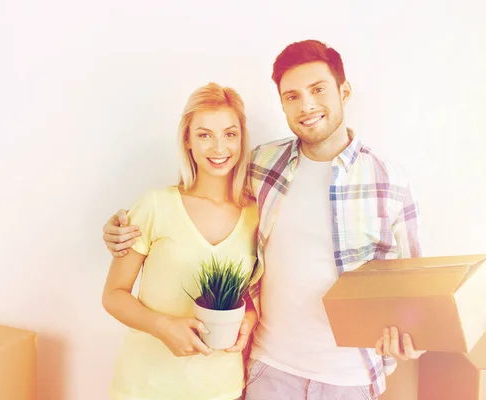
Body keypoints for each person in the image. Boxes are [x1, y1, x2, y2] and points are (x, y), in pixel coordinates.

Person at [103, 40, 424, 400]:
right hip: (268, 371)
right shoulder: (264, 166)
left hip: (348, 378)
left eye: (317, 89)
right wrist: (118, 228)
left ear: (344, 91)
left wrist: (414, 336)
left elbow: (417, 287)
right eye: (292, 96)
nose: (306, 105)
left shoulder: (391, 181)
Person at [101, 82, 260, 400]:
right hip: (145, 387)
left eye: (230, 134)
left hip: (220, 387)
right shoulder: (154, 205)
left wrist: (250, 318)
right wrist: (163, 326)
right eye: (204, 134)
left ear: (242, 139)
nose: (219, 148)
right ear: (187, 139)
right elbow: (113, 296)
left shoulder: (257, 215)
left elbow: (257, 294)